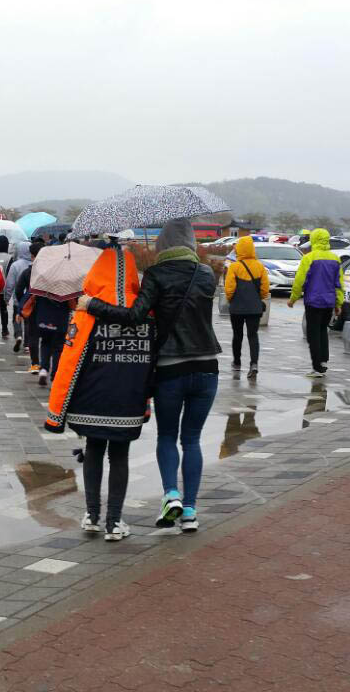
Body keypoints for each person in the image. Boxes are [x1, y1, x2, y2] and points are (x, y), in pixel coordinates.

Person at [81, 219, 219, 533]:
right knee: (193, 439)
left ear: (163, 245)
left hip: (171, 368)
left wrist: (93, 305)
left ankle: (170, 493)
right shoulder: (208, 274)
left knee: (168, 436)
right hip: (208, 367)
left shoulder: (157, 275)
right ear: (192, 242)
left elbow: (134, 316)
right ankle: (190, 512)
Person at [46, 241, 150, 541]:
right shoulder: (145, 310)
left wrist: (57, 411)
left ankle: (91, 515)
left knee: (93, 451)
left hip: (90, 397)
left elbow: (68, 360)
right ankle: (115, 522)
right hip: (127, 399)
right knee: (120, 456)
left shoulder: (85, 309)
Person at [287, 227, 344, 378]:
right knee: (323, 331)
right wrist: (338, 303)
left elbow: (300, 280)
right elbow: (338, 283)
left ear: (313, 240)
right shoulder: (335, 259)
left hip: (313, 302)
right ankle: (324, 361)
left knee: (313, 334)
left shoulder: (309, 258)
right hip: (329, 303)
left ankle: (317, 367)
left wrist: (293, 298)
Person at [224, 236, 270, 377]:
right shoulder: (260, 266)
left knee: (237, 335)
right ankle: (254, 364)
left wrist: (232, 299)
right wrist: (258, 299)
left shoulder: (234, 267)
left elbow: (229, 289)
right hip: (254, 308)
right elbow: (265, 289)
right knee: (253, 335)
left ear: (238, 249)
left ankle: (237, 361)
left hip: (237, 308)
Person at [14, 241, 44, 372]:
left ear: (32, 256)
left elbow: (18, 290)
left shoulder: (27, 272)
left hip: (33, 307)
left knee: (33, 336)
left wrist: (23, 304)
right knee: (48, 338)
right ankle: (47, 365)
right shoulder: (53, 271)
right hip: (51, 308)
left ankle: (35, 364)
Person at [5, 241, 34, 352]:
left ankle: (18, 336)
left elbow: (10, 283)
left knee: (16, 317)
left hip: (19, 298)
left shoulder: (15, 265)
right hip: (32, 298)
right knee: (28, 321)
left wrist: (7, 297)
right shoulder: (34, 264)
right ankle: (27, 345)